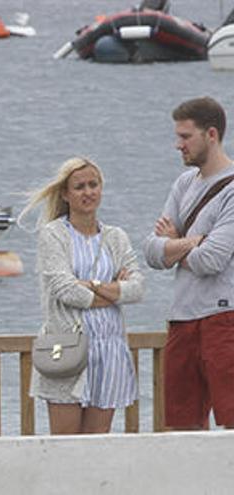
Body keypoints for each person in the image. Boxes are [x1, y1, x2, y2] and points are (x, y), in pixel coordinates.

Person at [21, 157, 144, 434]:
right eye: (79, 187)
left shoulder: (116, 237)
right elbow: (65, 290)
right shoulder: (53, 235)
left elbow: (137, 288)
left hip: (110, 349)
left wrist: (91, 284)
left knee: (97, 447)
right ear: (65, 194)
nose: (88, 192)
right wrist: (113, 290)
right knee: (66, 448)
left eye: (93, 184)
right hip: (67, 350)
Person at [143, 96, 234, 430]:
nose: (177, 145)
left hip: (224, 318)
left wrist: (175, 244)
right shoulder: (184, 184)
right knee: (180, 429)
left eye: (185, 137)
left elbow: (212, 259)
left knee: (231, 425)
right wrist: (192, 241)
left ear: (211, 135)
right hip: (182, 318)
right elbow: (151, 251)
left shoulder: (231, 189)